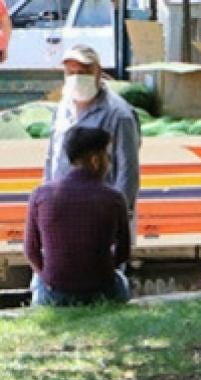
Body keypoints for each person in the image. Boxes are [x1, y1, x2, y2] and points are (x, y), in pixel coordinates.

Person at [24, 127, 131, 306]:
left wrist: (49, 278)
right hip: (101, 291)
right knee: (121, 280)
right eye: (107, 156)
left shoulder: (41, 195)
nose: (109, 162)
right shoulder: (114, 198)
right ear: (96, 160)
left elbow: (31, 250)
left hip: (54, 293)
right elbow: (123, 252)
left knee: (37, 280)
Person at [44, 45, 141, 239]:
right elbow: (51, 159)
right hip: (63, 214)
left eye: (84, 72)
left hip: (100, 216)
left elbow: (128, 172)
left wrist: (117, 218)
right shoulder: (63, 109)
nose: (77, 77)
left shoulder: (119, 115)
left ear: (98, 72)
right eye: (71, 72)